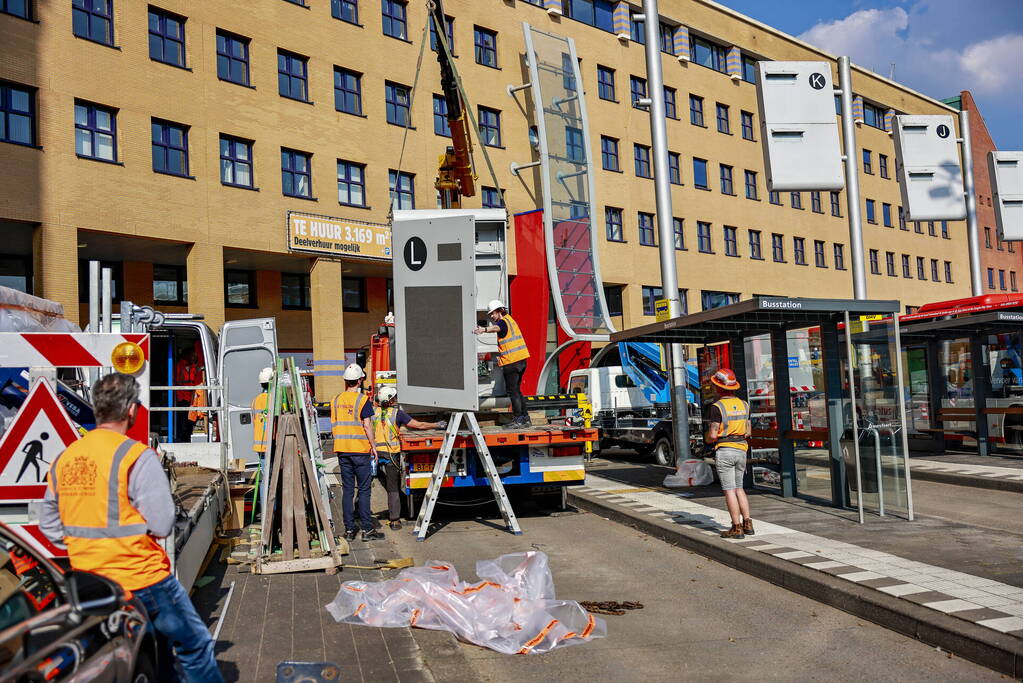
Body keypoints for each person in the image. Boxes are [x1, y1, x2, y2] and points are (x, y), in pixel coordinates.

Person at [40, 373, 222, 683]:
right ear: (131, 411)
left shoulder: (64, 459)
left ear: (97, 409)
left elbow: (49, 524)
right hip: (142, 578)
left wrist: (85, 543)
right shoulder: (135, 456)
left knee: (150, 652)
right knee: (194, 645)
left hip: (90, 581)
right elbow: (163, 524)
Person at [373, 386, 446, 530]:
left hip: (375, 453)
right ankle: (394, 521)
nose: (395, 399)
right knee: (392, 488)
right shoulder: (397, 414)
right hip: (391, 455)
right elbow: (418, 425)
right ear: (390, 399)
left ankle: (359, 513)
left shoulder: (373, 413)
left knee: (364, 487)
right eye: (393, 397)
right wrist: (437, 425)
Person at [332, 364, 382, 542]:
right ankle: (367, 530)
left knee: (347, 490)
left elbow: (335, 424)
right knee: (364, 490)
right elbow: (367, 425)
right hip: (360, 450)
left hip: (342, 450)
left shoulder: (336, 400)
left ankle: (349, 530)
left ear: (346, 381)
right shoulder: (362, 400)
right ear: (360, 380)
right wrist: (374, 446)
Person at [704, 368, 754, 539]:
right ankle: (748, 523)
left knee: (729, 490)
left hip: (725, 450)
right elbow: (747, 432)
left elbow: (712, 435)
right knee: (739, 488)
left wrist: (709, 439)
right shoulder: (745, 405)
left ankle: (736, 527)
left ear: (718, 387)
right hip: (742, 449)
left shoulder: (717, 407)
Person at [474, 299, 531, 429]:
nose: (491, 317)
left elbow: (497, 328)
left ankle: (518, 420)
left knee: (512, 392)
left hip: (511, 362)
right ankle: (525, 418)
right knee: (517, 391)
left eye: (492, 314)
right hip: (521, 360)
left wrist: (484, 329)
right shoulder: (511, 320)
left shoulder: (502, 322)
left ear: (499, 311)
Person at [173, 348, 201, 443]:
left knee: (190, 421)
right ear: (187, 355)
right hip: (182, 398)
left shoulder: (193, 366)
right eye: (192, 356)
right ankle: (182, 438)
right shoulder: (180, 366)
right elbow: (178, 381)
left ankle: (187, 438)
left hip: (191, 399)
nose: (194, 358)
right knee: (182, 421)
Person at [252, 367, 273, 457]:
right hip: (270, 442)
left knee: (265, 469)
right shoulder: (272, 398)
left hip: (259, 442)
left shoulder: (255, 400)